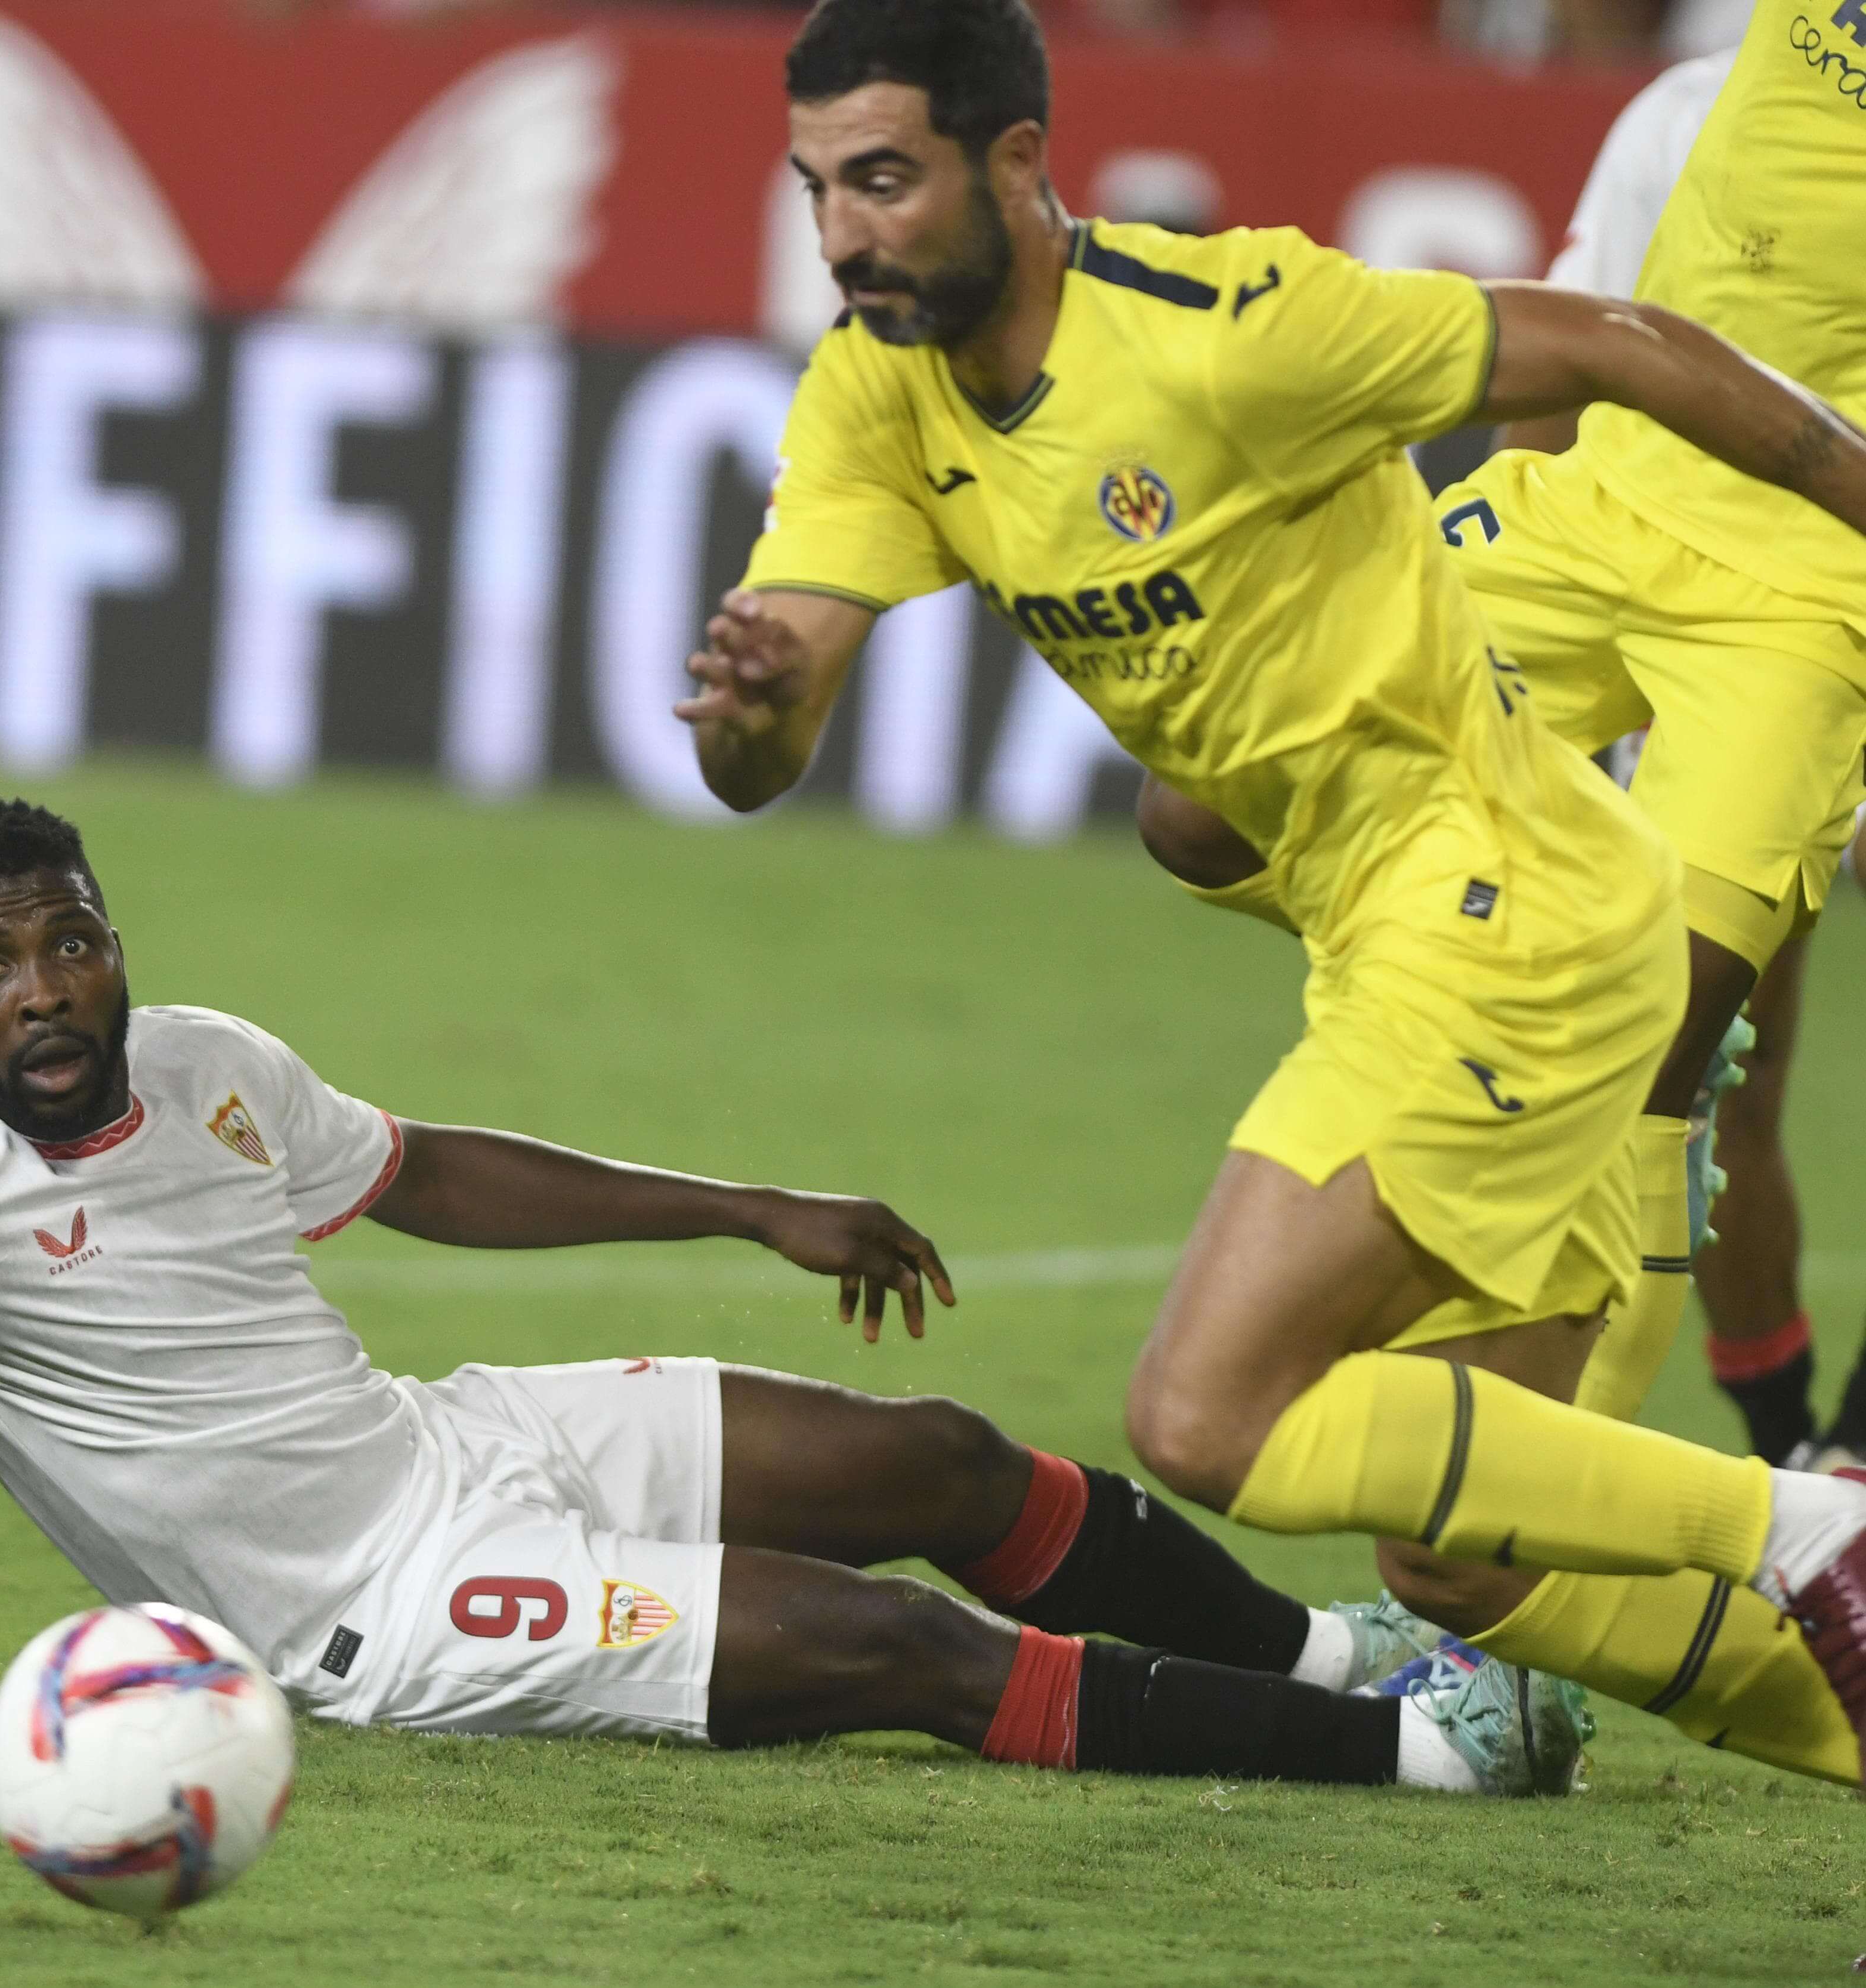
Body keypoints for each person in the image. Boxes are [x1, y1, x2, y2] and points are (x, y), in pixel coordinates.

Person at [671, 0, 1866, 1773]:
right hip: (1435, 913)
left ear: (1014, 164)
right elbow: (753, 767)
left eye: (881, 180)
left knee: (1204, 1408)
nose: (842, 231)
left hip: (1497, 914)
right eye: (814, 189)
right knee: (1463, 1556)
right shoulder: (871, 392)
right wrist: (751, 715)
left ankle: (1806, 1530)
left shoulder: (1228, 328)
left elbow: (1609, 342)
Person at [0, 799, 1571, 1796]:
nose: (44, 994)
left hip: (452, 1442)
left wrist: (747, 1207)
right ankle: (1423, 1760)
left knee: (943, 1463)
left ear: (111, 945)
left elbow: (422, 1174)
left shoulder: (195, 1059)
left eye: (66, 945)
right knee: (894, 1651)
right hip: (380, 1613)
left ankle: (1338, 1660)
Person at [1129, 0, 1866, 1782]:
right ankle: (1618, 1513)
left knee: (1671, 1046)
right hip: (1593, 500)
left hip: (1803, 588)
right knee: (1189, 815)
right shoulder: (1726, 78)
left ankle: (1514, 1585)